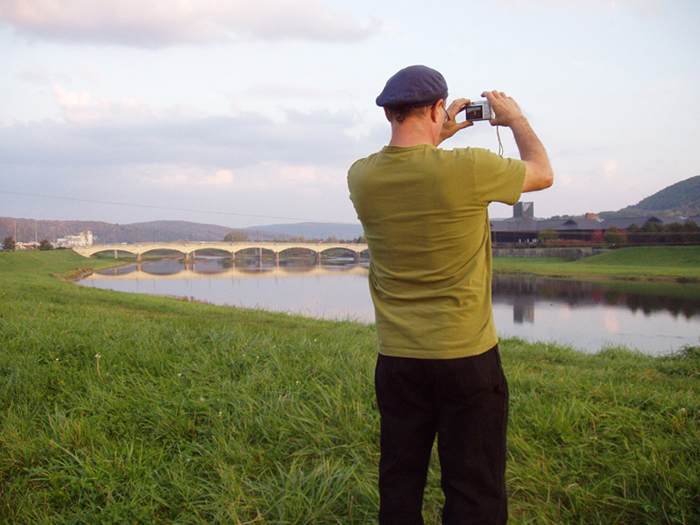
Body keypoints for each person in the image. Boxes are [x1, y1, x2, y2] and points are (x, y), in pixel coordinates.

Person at [346, 65, 553, 525]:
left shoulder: (361, 176)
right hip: (466, 357)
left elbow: (413, 167)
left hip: (397, 359)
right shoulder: (471, 168)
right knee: (474, 487)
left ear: (388, 115)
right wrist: (514, 119)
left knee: (399, 480)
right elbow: (542, 174)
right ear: (439, 109)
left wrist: (436, 136)